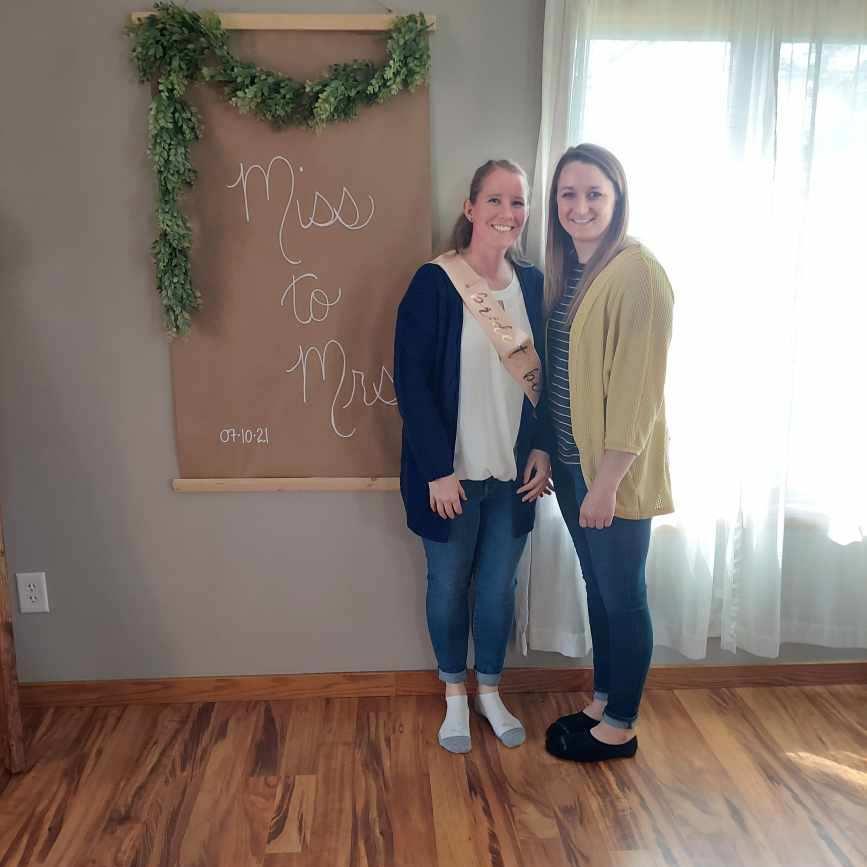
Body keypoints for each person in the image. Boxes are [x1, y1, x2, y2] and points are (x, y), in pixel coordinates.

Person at [394, 159, 553, 753]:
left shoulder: (534, 285)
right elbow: (411, 382)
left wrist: (543, 447)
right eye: (495, 200)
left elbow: (550, 378)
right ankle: (454, 695)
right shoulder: (435, 283)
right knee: (447, 586)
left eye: (518, 202)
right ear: (470, 208)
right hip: (452, 477)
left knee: (497, 589)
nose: (507, 214)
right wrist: (437, 469)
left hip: (513, 476)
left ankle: (490, 690)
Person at [542, 144, 674, 762]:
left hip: (609, 475)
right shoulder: (575, 270)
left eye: (594, 193)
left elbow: (636, 392)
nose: (580, 206)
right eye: (568, 194)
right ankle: (602, 699)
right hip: (574, 467)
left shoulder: (638, 273)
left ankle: (621, 725)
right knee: (597, 587)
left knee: (624, 595)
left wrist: (607, 482)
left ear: (617, 199)